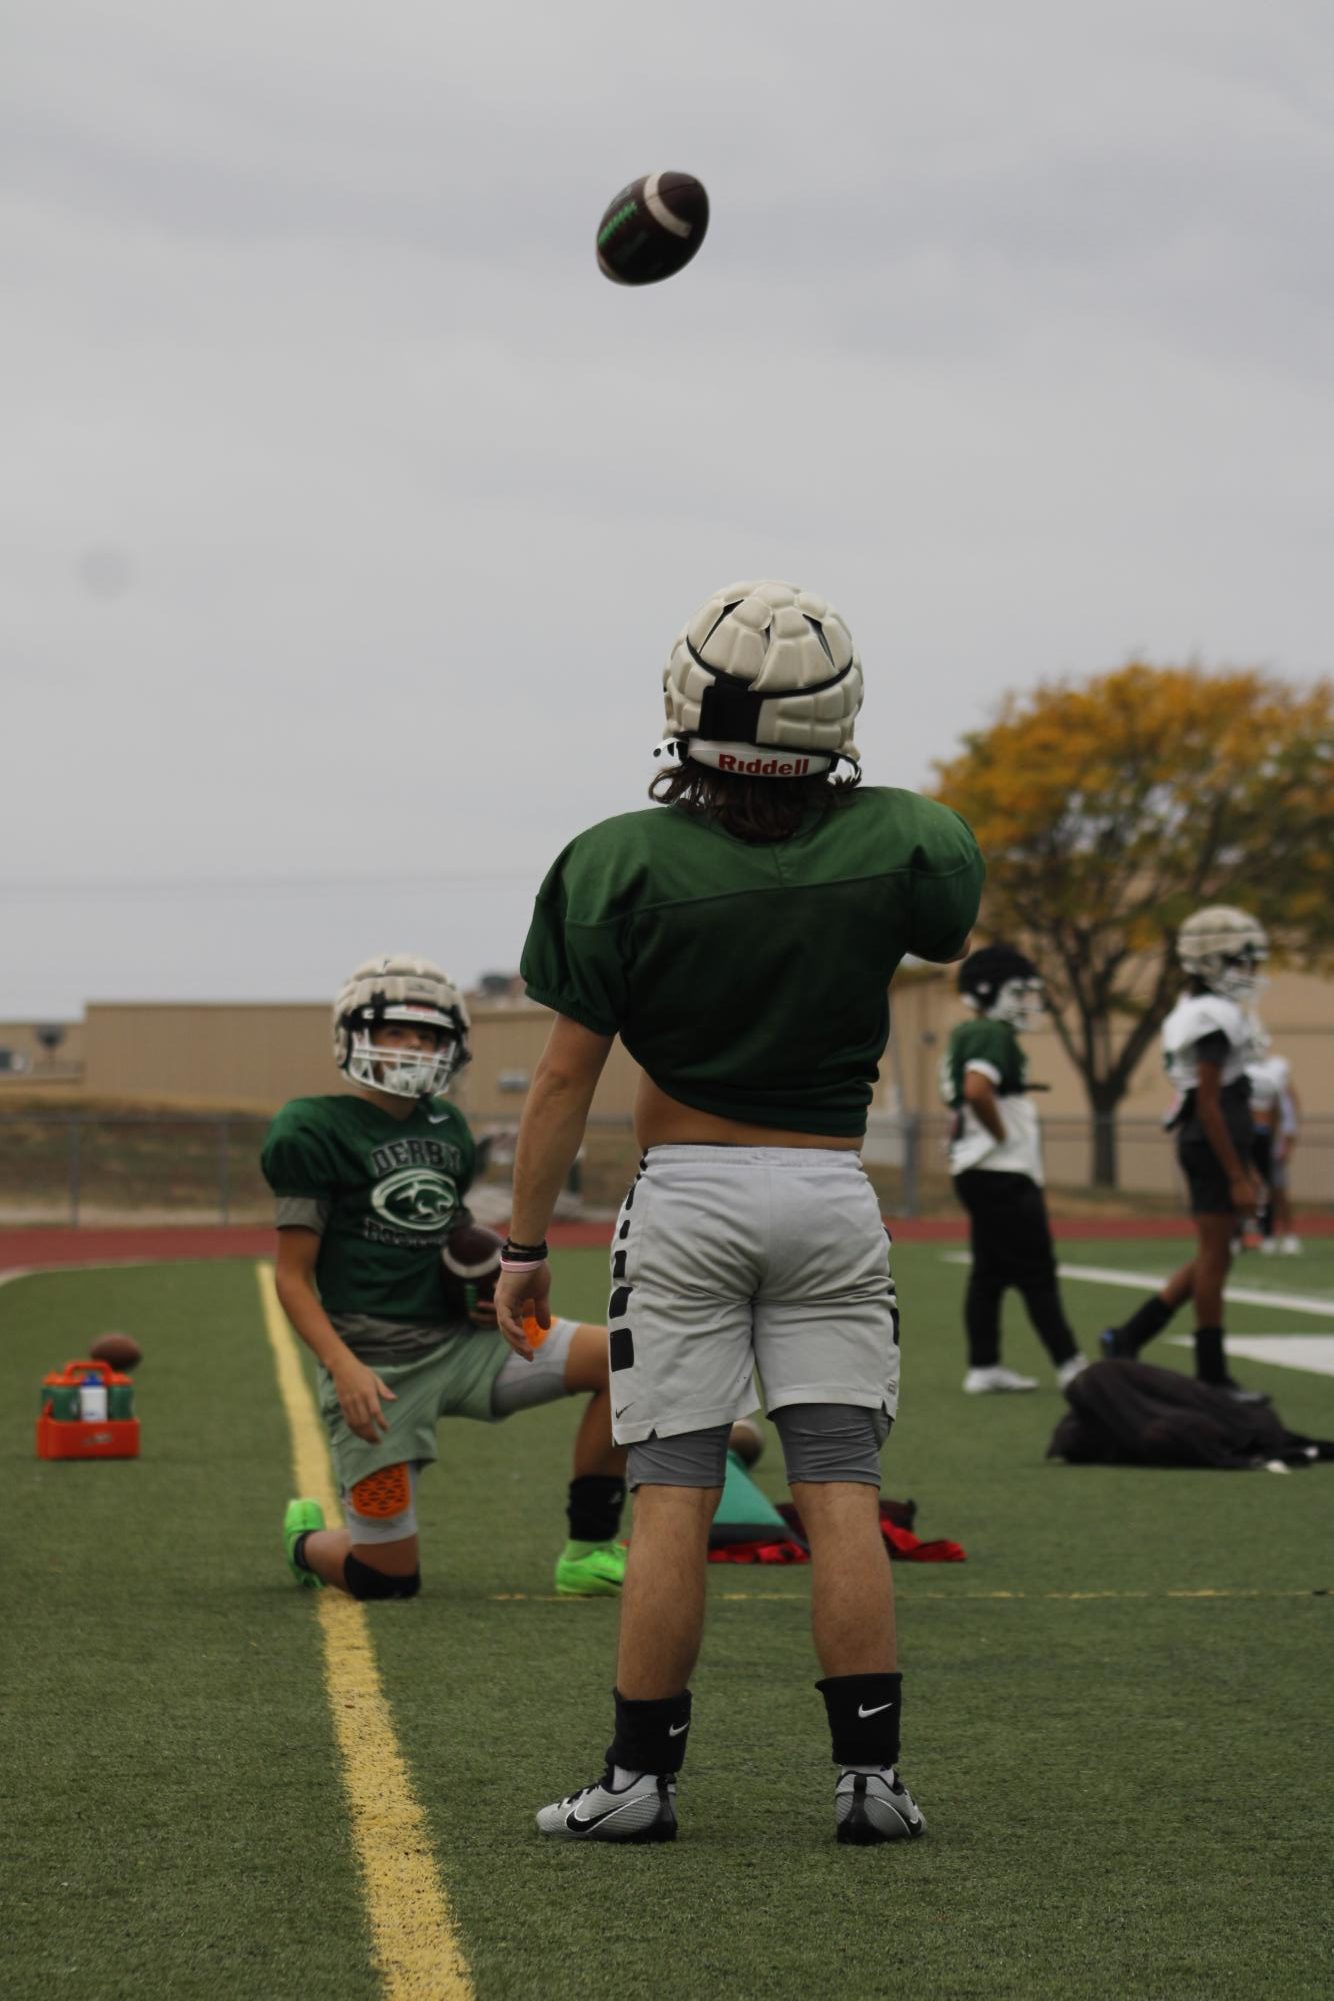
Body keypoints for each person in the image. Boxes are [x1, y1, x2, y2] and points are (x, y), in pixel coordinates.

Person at [492, 580, 984, 1845]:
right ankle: (869, 1783)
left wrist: (522, 1242)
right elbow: (937, 918)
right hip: (827, 1193)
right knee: (836, 1487)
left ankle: (641, 1783)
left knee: (670, 1491)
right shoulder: (906, 837)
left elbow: (560, 1077)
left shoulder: (617, 859)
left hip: (689, 1200)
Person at [264, 954, 628, 1602]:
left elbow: (447, 1231)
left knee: (631, 1361)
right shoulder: (312, 1128)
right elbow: (292, 1278)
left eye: (430, 1034)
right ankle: (307, 1542)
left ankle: (589, 1548)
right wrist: (342, 1366)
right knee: (385, 1577)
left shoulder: (449, 1128)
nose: (414, 1045)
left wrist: (484, 1291)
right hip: (379, 1370)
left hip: (468, 1345)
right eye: (397, 1029)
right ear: (354, 1033)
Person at [1101, 908, 1269, 1403]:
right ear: (1213, 960)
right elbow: (1211, 1102)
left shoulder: (1195, 1009)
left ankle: (1129, 1335)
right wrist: (1237, 1172)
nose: (1251, 971)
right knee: (1216, 1257)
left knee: (1214, 1254)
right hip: (1212, 1139)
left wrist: (1246, 1167)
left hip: (1213, 1138)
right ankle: (1212, 1374)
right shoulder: (1209, 1018)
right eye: (1242, 960)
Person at [940, 945, 1088, 1394]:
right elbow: (978, 1089)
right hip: (999, 1169)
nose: (1028, 1001)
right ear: (989, 991)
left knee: (990, 1271)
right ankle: (1070, 1364)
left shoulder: (974, 1031)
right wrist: (1003, 1137)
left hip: (979, 1169)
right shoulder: (990, 1033)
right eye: (1019, 991)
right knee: (1036, 1268)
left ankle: (984, 1365)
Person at [1246, 1025, 1303, 1255]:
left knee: (1277, 1188)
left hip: (1270, 1137)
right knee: (1252, 1186)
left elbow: (1287, 1106)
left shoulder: (1277, 1069)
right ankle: (1257, 1234)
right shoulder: (1242, 1069)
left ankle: (1288, 1233)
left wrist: (1288, 1138)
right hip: (1250, 1137)